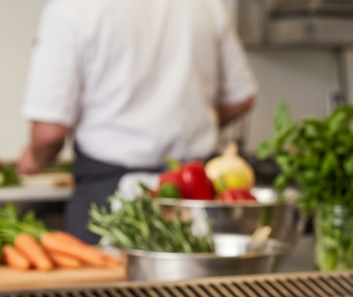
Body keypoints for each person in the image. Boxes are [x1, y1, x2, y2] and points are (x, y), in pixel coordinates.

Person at [17, 0, 258, 243]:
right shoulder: (207, 5)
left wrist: (34, 158)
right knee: (200, 279)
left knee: (103, 280)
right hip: (196, 193)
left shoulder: (70, 9)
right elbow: (242, 98)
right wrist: (190, 121)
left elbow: (50, 134)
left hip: (109, 201)